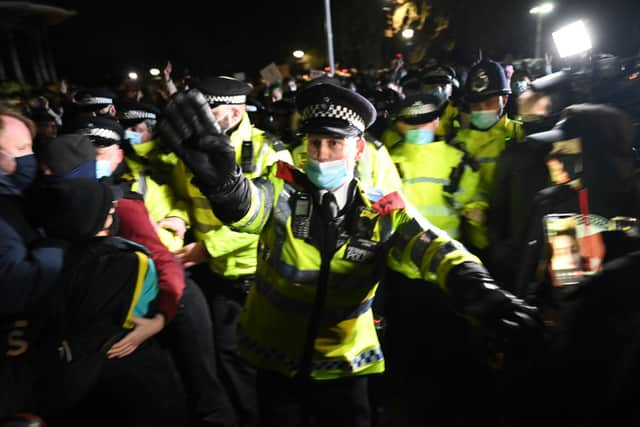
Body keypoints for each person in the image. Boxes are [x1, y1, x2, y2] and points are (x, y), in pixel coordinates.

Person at [158, 84, 540, 427]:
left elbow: (432, 246)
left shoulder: (381, 209)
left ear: (358, 148)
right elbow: (249, 208)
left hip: (343, 371)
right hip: (275, 364)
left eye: (334, 144)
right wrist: (225, 186)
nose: (322, 154)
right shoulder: (282, 189)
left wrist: (477, 287)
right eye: (314, 143)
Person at [171, 75, 293, 427]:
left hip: (262, 275)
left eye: (209, 112)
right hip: (218, 278)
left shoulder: (271, 150)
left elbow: (277, 212)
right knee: (231, 360)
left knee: (272, 364)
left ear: (236, 112)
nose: (201, 120)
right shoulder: (192, 147)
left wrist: (207, 248)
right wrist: (176, 220)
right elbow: (182, 196)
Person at [28, 178, 187, 427]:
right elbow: (131, 316)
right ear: (94, 218)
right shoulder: (130, 260)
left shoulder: (50, 257)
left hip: (70, 379)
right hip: (128, 374)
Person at [0, 106, 66, 420]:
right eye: (23, 150)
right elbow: (15, 286)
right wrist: (59, 241)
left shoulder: (16, 199)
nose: (31, 160)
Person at [454, 59, 524, 252]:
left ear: (505, 100)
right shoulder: (458, 142)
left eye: (489, 102)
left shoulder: (521, 135)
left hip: (511, 243)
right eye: (476, 105)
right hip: (471, 243)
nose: (482, 109)